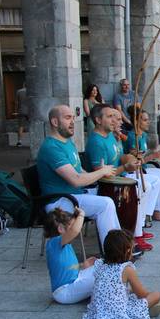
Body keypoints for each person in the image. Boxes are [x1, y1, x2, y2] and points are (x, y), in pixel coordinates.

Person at [37, 105, 120, 247]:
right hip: (59, 201)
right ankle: (113, 252)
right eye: (68, 118)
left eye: (73, 118)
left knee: (115, 193)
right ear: (55, 122)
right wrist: (102, 171)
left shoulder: (67, 141)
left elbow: (79, 170)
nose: (72, 122)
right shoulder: (51, 147)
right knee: (106, 204)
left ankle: (122, 241)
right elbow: (75, 180)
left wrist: (94, 175)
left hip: (72, 195)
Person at [86, 104, 160, 252]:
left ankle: (137, 228)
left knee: (150, 184)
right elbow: (102, 175)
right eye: (110, 117)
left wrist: (131, 159)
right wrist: (126, 168)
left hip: (118, 178)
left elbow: (121, 157)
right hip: (106, 186)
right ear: (98, 120)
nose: (114, 120)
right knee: (141, 188)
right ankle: (133, 234)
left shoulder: (110, 136)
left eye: (115, 117)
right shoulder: (96, 141)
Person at [80, 229, 160, 319]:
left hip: (97, 314)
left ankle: (145, 310)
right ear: (128, 251)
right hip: (118, 315)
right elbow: (142, 294)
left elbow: (88, 265)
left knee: (129, 292)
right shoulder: (126, 269)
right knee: (156, 295)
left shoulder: (100, 264)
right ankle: (145, 310)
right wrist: (149, 295)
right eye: (132, 249)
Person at [124, 108, 160, 222]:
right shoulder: (133, 137)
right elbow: (136, 160)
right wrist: (154, 156)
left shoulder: (143, 135)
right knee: (159, 179)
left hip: (144, 168)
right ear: (137, 121)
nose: (148, 122)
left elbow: (144, 156)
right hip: (135, 171)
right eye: (145, 120)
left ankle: (159, 208)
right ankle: (154, 212)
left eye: (148, 120)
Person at [44, 207, 97, 304]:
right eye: (72, 225)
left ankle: (112, 292)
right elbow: (74, 231)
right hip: (64, 292)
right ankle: (111, 295)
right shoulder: (54, 243)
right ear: (60, 228)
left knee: (101, 267)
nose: (76, 228)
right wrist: (81, 215)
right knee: (102, 276)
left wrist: (82, 265)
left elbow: (67, 267)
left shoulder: (63, 245)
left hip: (73, 283)